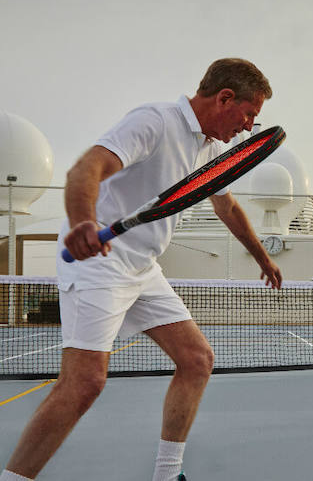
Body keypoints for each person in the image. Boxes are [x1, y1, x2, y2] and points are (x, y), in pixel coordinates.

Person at [0, 58, 282, 481]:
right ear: (225, 98)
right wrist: (82, 222)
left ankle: (166, 477)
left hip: (143, 267)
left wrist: (262, 258)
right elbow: (86, 169)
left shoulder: (211, 149)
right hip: (100, 262)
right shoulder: (155, 122)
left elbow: (227, 206)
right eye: (248, 115)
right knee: (85, 382)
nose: (248, 127)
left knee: (197, 360)